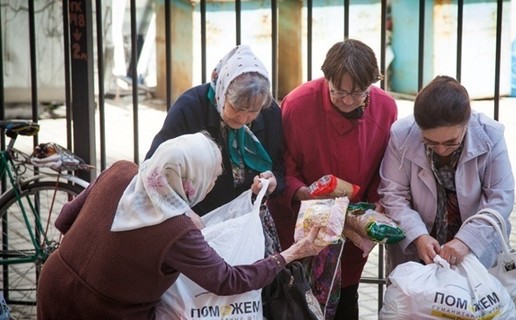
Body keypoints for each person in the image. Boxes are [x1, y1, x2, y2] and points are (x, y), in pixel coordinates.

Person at [36, 132, 325, 319]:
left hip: (53, 286)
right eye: (211, 177)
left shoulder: (121, 171)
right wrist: (290, 254)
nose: (213, 184)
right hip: (103, 312)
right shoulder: (175, 232)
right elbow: (227, 280)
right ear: (190, 183)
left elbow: (64, 220)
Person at [268, 38, 398, 320]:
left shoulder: (386, 108)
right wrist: (300, 191)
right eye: (339, 92)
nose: (349, 100)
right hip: (301, 219)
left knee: (345, 295)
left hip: (351, 225)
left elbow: (386, 166)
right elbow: (282, 162)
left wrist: (376, 202)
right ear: (326, 78)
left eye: (359, 92)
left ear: (372, 84)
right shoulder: (297, 103)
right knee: (296, 298)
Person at [378, 75, 515, 273]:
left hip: (477, 248)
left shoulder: (491, 135)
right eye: (430, 142)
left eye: (451, 142)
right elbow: (392, 194)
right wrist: (418, 236)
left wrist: (466, 240)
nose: (441, 149)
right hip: (418, 251)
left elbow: (500, 198)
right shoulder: (402, 134)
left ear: (466, 123)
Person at [145, 44, 284, 216]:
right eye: (236, 107)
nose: (242, 119)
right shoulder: (190, 109)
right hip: (197, 219)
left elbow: (280, 164)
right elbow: (154, 170)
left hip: (247, 219)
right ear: (222, 91)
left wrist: (273, 182)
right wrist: (184, 214)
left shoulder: (268, 111)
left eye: (252, 111)